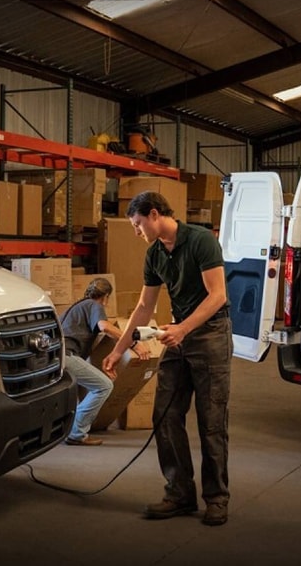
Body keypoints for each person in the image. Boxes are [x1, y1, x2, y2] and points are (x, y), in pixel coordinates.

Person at [102, 191, 232, 527]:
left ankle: (216, 498)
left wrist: (184, 328)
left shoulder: (201, 241)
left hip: (210, 335)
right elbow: (143, 308)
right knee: (165, 414)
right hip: (178, 336)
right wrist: (118, 351)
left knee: (211, 420)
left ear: (154, 213)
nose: (136, 231)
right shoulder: (155, 254)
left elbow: (218, 295)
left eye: (137, 224)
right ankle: (179, 493)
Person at [60, 277, 150, 446]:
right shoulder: (95, 305)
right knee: (103, 385)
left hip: (55, 357)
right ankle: (76, 433)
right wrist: (133, 343)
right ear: (106, 297)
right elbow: (105, 327)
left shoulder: (75, 308)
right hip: (67, 356)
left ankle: (71, 429)